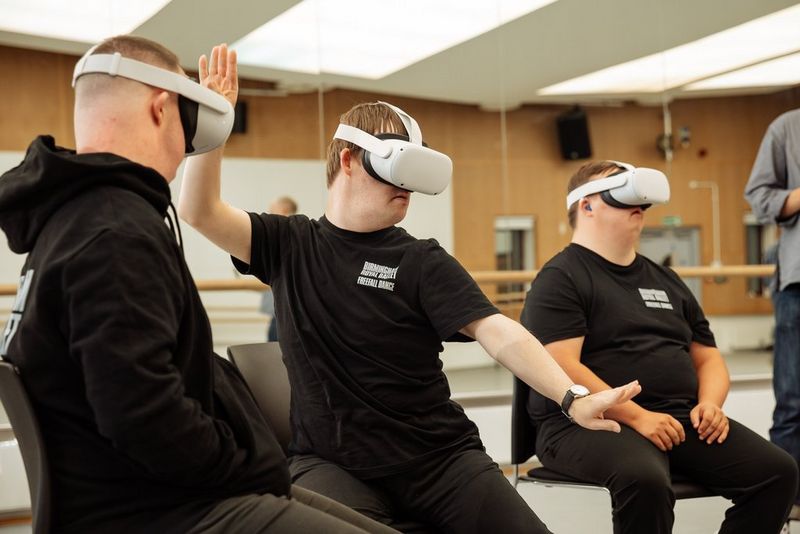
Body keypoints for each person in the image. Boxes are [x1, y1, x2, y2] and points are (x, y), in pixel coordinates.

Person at [178, 47, 642, 533]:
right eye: (397, 168)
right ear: (350, 159)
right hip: (332, 464)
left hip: (438, 458)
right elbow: (199, 210)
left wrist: (570, 396)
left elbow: (499, 331)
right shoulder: (289, 243)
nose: (408, 188)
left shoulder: (420, 259)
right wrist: (214, 122)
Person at [0, 35, 399, 534]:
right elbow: (145, 419)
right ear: (160, 107)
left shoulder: (73, 222)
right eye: (190, 114)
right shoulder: (114, 235)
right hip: (163, 509)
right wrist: (249, 466)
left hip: (148, 495)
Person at [521, 160, 798, 534]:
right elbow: (560, 363)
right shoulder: (561, 277)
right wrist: (638, 416)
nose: (637, 203)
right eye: (620, 193)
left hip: (677, 419)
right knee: (644, 478)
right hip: (586, 423)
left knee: (777, 472)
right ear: (586, 205)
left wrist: (710, 404)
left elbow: (708, 357)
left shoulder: (666, 280)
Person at [745, 108, 800, 517]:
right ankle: (788, 500)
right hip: (798, 284)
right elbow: (759, 198)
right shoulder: (786, 128)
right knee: (794, 400)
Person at [260, 196, 298, 341]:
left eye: (271, 210)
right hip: (281, 311)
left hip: (285, 311)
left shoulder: (285, 231)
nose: (268, 213)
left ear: (283, 210)